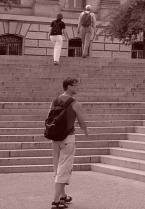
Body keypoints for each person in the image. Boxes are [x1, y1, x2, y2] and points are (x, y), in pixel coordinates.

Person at [50, 77, 89, 209]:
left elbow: (50, 118)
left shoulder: (55, 101)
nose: (78, 87)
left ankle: (62, 196)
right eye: (75, 85)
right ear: (69, 87)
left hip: (55, 138)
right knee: (64, 169)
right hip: (67, 138)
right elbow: (82, 122)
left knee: (58, 167)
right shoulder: (75, 103)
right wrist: (86, 132)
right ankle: (55, 201)